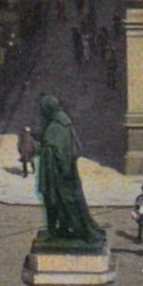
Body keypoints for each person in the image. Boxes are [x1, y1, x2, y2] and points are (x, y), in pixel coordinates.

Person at [35, 94, 104, 245]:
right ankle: (64, 229)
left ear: (47, 110)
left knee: (53, 202)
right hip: (69, 172)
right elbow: (75, 148)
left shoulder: (53, 128)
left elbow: (51, 153)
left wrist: (38, 147)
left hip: (56, 176)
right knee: (70, 203)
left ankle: (56, 233)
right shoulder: (65, 122)